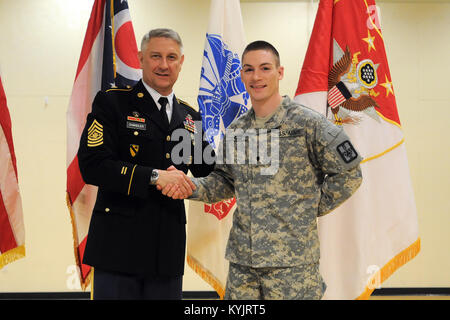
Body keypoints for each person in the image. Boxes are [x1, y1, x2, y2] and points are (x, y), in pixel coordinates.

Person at [162, 40, 363, 300]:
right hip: (243, 265)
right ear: (242, 75)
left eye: (265, 68)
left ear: (279, 73)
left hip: (293, 266)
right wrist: (187, 187)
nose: (256, 77)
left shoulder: (307, 124)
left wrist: (307, 207)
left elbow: (350, 172)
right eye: (248, 69)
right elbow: (224, 181)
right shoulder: (236, 130)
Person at [77, 28, 214, 299]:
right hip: (117, 251)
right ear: (141, 58)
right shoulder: (113, 103)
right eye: (156, 56)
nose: (164, 65)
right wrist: (154, 176)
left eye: (171, 57)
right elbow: (93, 164)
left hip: (166, 252)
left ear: (181, 62)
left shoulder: (189, 117)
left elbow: (209, 169)